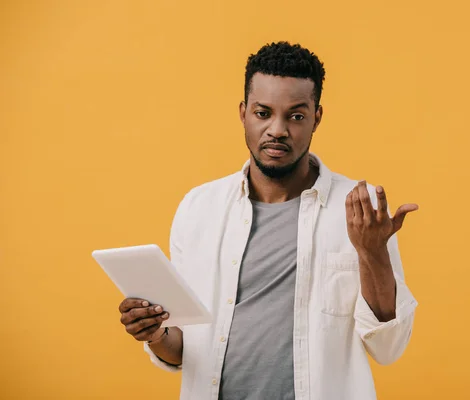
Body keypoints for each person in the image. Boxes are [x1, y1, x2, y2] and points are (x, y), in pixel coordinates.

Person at [118, 41, 419, 400]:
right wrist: (153, 333)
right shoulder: (199, 208)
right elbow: (185, 349)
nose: (277, 130)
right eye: (263, 113)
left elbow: (388, 348)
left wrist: (372, 253)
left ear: (316, 118)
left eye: (296, 116)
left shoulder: (358, 208)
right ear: (243, 112)